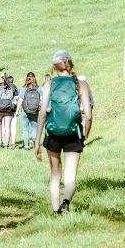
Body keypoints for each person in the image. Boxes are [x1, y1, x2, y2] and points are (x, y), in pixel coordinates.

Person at [35, 50, 92, 214]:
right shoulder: (81, 84)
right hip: (73, 134)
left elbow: (42, 114)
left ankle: (55, 210)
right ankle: (65, 203)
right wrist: (85, 136)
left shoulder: (49, 84)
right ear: (70, 64)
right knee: (70, 176)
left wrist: (37, 141)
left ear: (54, 67)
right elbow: (88, 116)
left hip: (53, 134)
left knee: (55, 174)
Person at [0, 72, 18, 148]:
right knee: (8, 126)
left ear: (1, 78)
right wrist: (17, 109)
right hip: (9, 109)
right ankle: (7, 144)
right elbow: (17, 99)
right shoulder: (13, 86)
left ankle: (0, 140)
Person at [17, 72, 42, 151]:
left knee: (25, 129)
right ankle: (35, 143)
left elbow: (20, 101)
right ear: (35, 78)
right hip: (35, 112)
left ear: (26, 79)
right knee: (34, 128)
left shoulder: (23, 89)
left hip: (25, 112)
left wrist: (17, 111)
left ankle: (26, 147)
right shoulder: (39, 89)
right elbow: (41, 100)